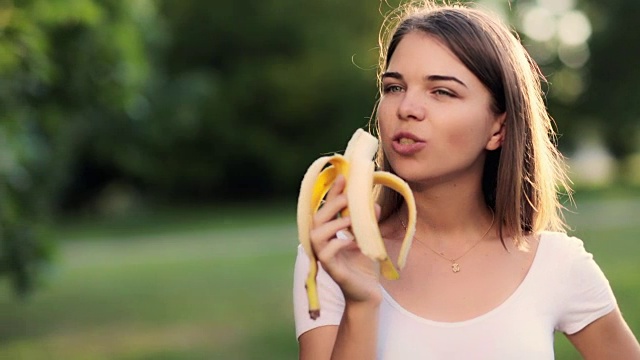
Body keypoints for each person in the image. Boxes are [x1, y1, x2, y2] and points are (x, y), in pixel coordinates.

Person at [292, 1, 640, 359]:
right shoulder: (333, 258)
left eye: (442, 91)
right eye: (394, 87)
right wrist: (361, 303)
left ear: (498, 128)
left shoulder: (557, 264)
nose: (407, 107)